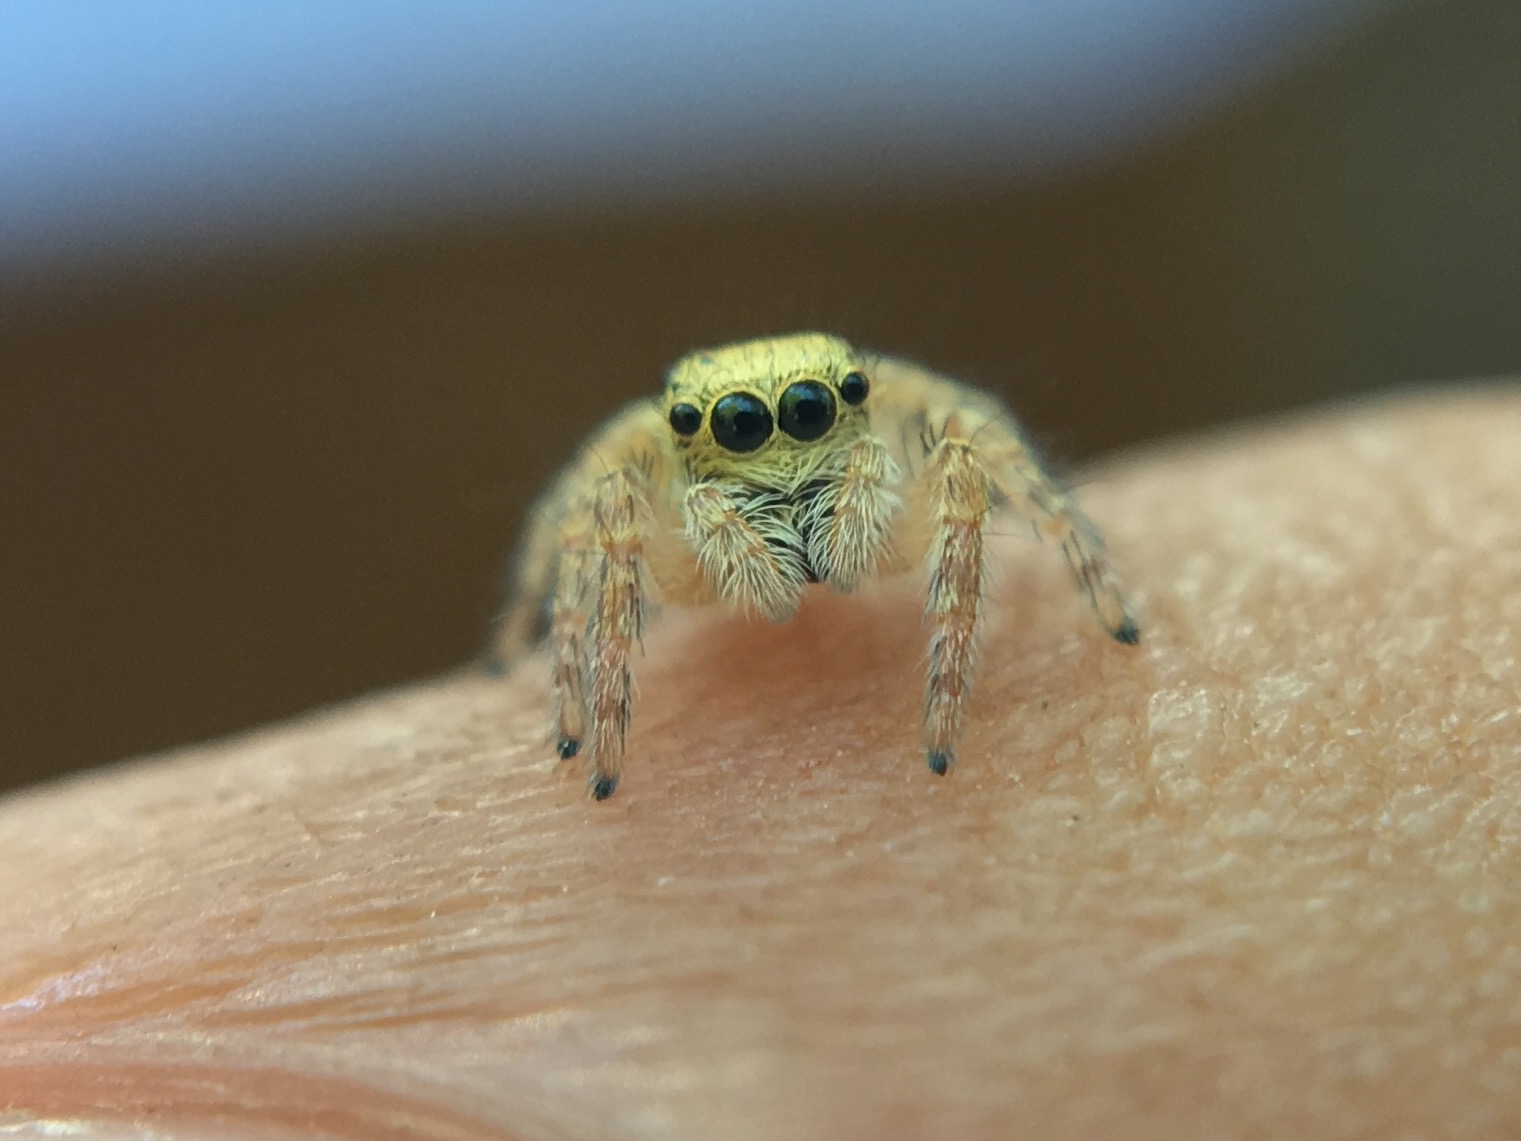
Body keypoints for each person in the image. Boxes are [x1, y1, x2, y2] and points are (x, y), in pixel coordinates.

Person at [3, 388, 1516, 1137]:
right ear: (694, 445)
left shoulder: (883, 433)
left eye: (804, 423)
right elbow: (574, 514)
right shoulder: (650, 483)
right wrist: (560, 684)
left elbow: (981, 446)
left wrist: (1061, 616)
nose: (779, 460)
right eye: (739, 438)